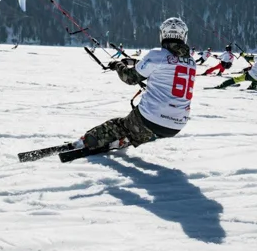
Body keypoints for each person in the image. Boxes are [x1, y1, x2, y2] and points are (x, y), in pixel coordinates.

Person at [77, 17, 196, 152]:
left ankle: (86, 142)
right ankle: (127, 139)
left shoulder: (156, 55)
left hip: (151, 118)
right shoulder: (191, 62)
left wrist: (118, 65)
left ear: (162, 34)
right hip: (177, 124)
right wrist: (136, 62)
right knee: (137, 127)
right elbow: (168, 67)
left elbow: (130, 78)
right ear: (184, 36)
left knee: (119, 125)